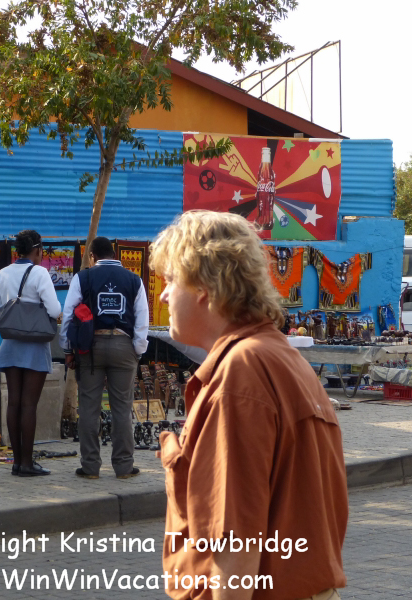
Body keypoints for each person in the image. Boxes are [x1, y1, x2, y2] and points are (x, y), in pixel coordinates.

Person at [149, 211, 348, 600]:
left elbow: (235, 541)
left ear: (203, 285)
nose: (164, 295)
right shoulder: (277, 355)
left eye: (171, 280)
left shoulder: (241, 372)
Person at [60, 236, 149, 479]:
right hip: (124, 346)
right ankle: (124, 467)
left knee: (89, 407)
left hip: (90, 348)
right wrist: (137, 350)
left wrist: (67, 350)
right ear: (114, 254)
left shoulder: (83, 278)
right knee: (122, 408)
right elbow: (142, 318)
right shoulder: (134, 280)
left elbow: (68, 315)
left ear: (92, 256)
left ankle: (90, 467)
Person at [0, 230, 61, 477]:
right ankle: (28, 464)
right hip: (35, 345)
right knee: (29, 404)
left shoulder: (3, 273)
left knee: (14, 403)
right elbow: (54, 310)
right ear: (38, 249)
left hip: (10, 344)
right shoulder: (40, 273)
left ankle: (17, 462)